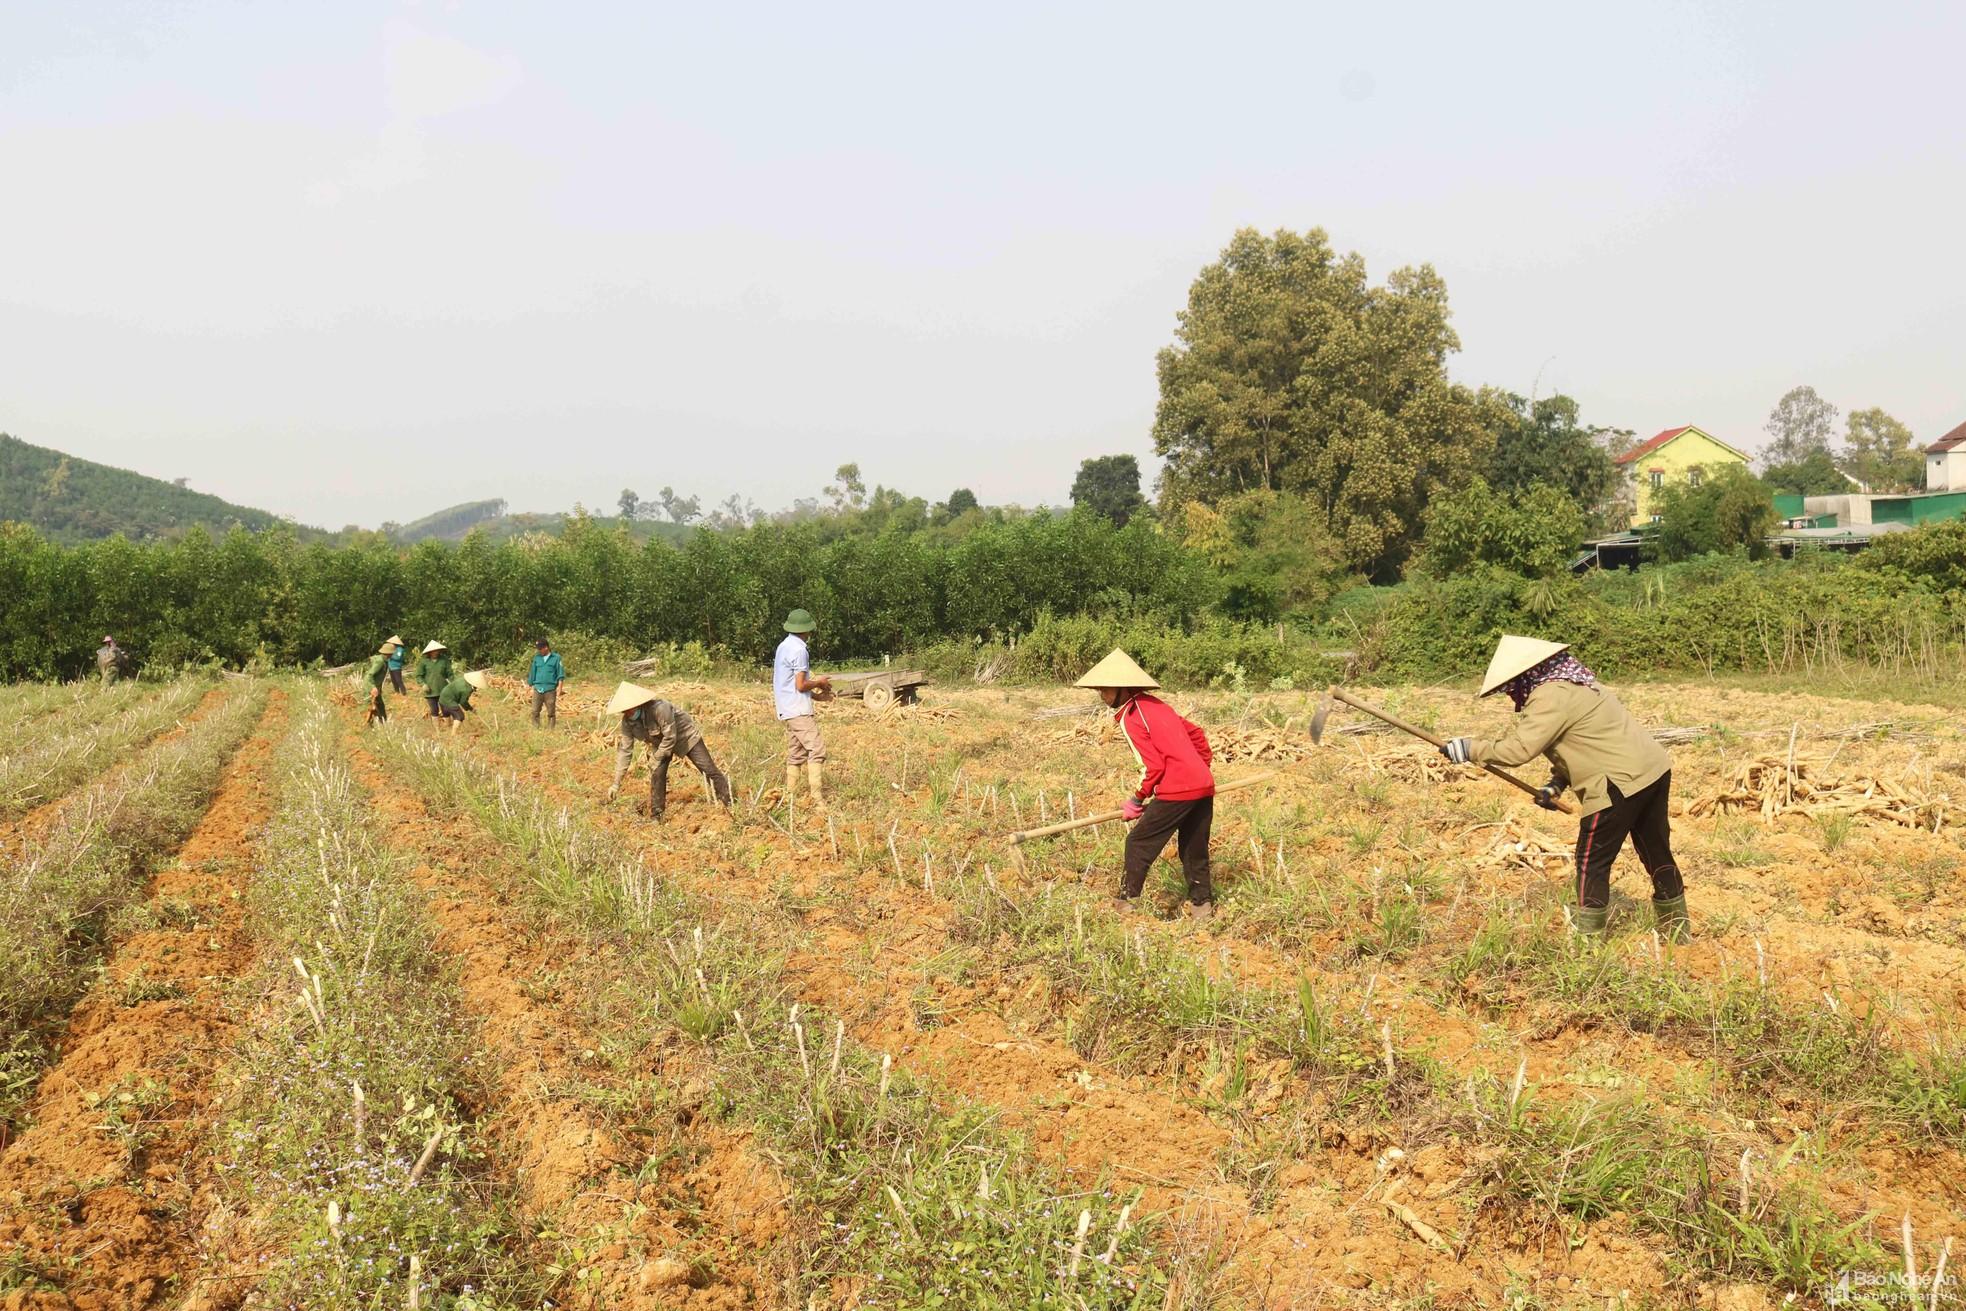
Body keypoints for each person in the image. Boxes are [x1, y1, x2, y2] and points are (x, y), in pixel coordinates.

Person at [1439, 635, 1688, 942]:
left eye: (1511, 687)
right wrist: (1556, 784)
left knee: (1591, 862)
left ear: (1523, 676)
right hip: (1651, 771)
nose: (1511, 695)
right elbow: (1584, 741)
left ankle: (1589, 944)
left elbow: (1519, 750)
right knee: (1655, 850)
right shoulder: (1576, 683)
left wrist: (1469, 749)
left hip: (1616, 783)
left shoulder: (1548, 695)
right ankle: (1678, 933)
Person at [1075, 649, 1217, 921]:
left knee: (1138, 842)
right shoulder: (1158, 705)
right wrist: (1199, 770)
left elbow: (1153, 767)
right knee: (1193, 847)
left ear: (1122, 689)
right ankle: (1202, 907)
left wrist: (1136, 799)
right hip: (1202, 786)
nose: (1102, 696)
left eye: (1104, 690)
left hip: (1178, 789)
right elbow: (1197, 735)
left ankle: (1127, 903)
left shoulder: (1131, 716)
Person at [605, 682, 732, 820]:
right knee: (657, 774)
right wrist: (616, 784)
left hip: (685, 737)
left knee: (707, 768)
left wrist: (657, 757)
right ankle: (657, 816)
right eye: (624, 711)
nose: (628, 713)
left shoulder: (660, 708)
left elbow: (670, 737)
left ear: (638, 704)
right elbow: (625, 751)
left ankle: (728, 802)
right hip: (660, 743)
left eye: (629, 709)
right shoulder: (627, 722)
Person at [773, 609, 832, 812]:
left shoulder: (783, 646)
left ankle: (790, 796)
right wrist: (820, 682)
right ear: (807, 630)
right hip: (797, 710)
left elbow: (790, 684)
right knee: (817, 749)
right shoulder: (800, 650)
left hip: (788, 707)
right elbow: (800, 684)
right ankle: (817, 800)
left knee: (796, 753)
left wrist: (817, 696)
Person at [528, 638, 565, 728]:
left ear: (546, 647)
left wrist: (560, 689)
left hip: (550, 689)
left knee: (551, 711)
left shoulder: (556, 658)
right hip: (538, 688)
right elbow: (533, 673)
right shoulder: (537, 658)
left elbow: (560, 674)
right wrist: (529, 687)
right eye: (538, 649)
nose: (539, 650)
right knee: (535, 710)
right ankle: (536, 727)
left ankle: (550, 729)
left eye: (540, 648)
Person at [416, 640, 454, 718]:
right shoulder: (424, 661)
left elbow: (450, 674)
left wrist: (452, 684)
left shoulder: (444, 660)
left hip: (443, 689)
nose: (436, 653)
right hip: (430, 691)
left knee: (446, 710)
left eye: (437, 651)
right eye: (434, 651)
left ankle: (448, 727)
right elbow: (418, 675)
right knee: (434, 710)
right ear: (429, 652)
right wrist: (423, 684)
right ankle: (437, 729)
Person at [363, 640, 397, 727]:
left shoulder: (384, 661)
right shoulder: (380, 662)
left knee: (380, 708)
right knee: (371, 709)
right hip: (370, 689)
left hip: (376, 689)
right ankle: (368, 728)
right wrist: (372, 688)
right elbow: (369, 676)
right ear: (387, 654)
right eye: (391, 654)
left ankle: (383, 726)